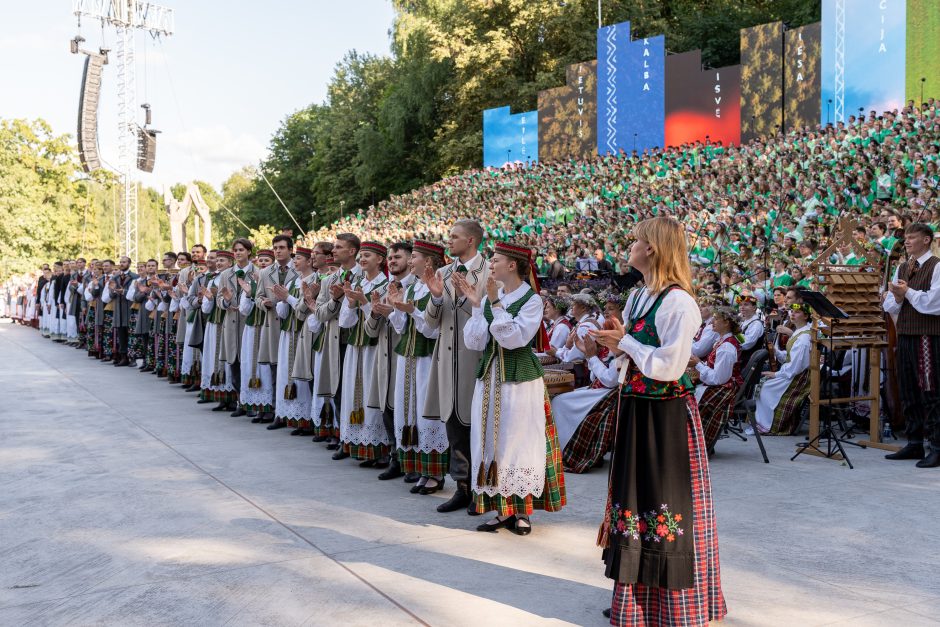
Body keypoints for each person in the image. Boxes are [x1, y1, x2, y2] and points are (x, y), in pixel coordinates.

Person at [591, 216, 725, 626]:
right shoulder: (638, 297)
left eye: (635, 241)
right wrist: (618, 342)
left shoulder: (679, 302)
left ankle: (671, 608)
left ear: (651, 248)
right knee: (633, 501)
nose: (629, 247)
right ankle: (634, 603)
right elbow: (633, 355)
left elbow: (669, 366)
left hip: (665, 415)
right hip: (636, 406)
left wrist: (626, 341)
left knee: (665, 502)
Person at [457, 241, 566, 535]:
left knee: (519, 440)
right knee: (492, 441)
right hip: (491, 374)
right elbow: (475, 342)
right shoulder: (498, 294)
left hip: (519, 379)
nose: (491, 264)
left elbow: (516, 339)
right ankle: (500, 508)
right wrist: (477, 307)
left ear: (513, 265)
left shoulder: (530, 299)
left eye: (496, 259)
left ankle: (522, 511)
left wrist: (492, 304)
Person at [423, 219, 490, 514]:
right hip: (447, 359)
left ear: (471, 241)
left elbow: (492, 314)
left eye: (454, 237)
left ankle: (482, 490)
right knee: (454, 426)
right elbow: (430, 321)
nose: (449, 241)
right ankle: (462, 487)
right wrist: (436, 296)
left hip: (476, 358)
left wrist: (469, 300)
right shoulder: (443, 272)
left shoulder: (489, 270)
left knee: (477, 425)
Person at [387, 240, 448, 492]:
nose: (410, 261)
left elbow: (432, 331)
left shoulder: (437, 290)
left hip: (427, 357)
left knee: (427, 413)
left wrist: (411, 310)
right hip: (408, 356)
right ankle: (418, 468)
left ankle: (435, 473)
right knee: (407, 410)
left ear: (429, 262)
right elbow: (401, 328)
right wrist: (397, 307)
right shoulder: (412, 289)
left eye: (414, 257)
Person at [884, 222, 940, 468]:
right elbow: (889, 306)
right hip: (906, 333)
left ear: (926, 239)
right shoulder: (902, 267)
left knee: (931, 391)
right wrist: (897, 296)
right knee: (907, 389)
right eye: (905, 238)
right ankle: (915, 441)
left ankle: (937, 446)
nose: (906, 241)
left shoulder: (937, 266)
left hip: (927, 335)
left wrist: (906, 293)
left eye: (912, 237)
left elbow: (933, 304)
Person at [337, 241, 390, 464]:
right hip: (355, 346)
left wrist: (364, 302)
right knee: (352, 393)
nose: (362, 259)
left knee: (371, 393)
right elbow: (344, 322)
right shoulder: (357, 282)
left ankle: (378, 449)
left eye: (367, 255)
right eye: (361, 256)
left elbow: (380, 318)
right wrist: (350, 303)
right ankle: (358, 445)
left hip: (374, 346)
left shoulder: (386, 285)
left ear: (379, 259)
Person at [366, 241, 415, 477]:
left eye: (397, 257)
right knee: (387, 410)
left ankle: (414, 463)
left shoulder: (416, 288)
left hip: (405, 357)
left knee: (407, 411)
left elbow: (418, 326)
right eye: (390, 258)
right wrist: (375, 313)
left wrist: (395, 312)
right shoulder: (387, 287)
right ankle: (396, 458)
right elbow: (370, 331)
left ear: (410, 259)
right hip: (384, 358)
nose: (392, 261)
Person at [314, 233, 363, 451]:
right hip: (336, 341)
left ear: (352, 251)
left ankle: (362, 440)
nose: (333, 251)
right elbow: (320, 313)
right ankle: (342, 436)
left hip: (361, 341)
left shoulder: (366, 276)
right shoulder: (329, 281)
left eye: (338, 247)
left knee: (359, 389)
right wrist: (335, 299)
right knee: (338, 388)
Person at [271, 246, 317, 432]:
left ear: (309, 261)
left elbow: (303, 309)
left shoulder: (314, 281)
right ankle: (289, 415)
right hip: (288, 331)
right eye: (295, 258)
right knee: (285, 373)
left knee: (302, 374)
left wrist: (287, 298)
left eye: (299, 258)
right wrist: (281, 299)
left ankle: (305, 418)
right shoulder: (293, 282)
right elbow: (283, 312)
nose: (295, 261)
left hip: (303, 332)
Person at [255, 235, 298, 424]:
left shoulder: (300, 270)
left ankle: (295, 413)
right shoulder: (265, 273)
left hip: (294, 325)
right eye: (275, 248)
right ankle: (277, 411)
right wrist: (264, 303)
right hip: (272, 324)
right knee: (274, 369)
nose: (278, 251)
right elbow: (257, 297)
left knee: (292, 368)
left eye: (281, 247)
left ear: (290, 249)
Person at [753, 302, 813, 435]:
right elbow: (790, 357)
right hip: (792, 372)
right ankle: (762, 422)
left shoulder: (804, 338)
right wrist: (775, 351)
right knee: (762, 384)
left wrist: (776, 375)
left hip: (798, 377)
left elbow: (796, 367)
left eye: (797, 312)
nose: (792, 313)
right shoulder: (799, 332)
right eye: (791, 311)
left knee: (765, 388)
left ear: (806, 316)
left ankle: (770, 425)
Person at [690, 306, 743, 452]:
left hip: (724, 389)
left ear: (726, 323)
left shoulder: (727, 347)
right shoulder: (722, 341)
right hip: (720, 383)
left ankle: (695, 445)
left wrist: (698, 364)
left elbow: (719, 379)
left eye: (717, 319)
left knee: (688, 401)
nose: (712, 321)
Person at [218, 239, 254, 416]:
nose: (238, 253)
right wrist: (225, 300)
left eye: (241, 250)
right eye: (235, 250)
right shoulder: (226, 274)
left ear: (249, 252)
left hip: (249, 324)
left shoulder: (257, 272)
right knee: (234, 364)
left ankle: (253, 402)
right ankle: (240, 401)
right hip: (231, 323)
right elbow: (219, 300)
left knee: (249, 363)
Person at [239, 249, 275, 421]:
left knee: (266, 368)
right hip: (252, 329)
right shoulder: (249, 282)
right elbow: (244, 310)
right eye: (260, 260)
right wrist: (248, 294)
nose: (262, 263)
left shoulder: (273, 281)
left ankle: (269, 407)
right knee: (249, 365)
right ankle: (256, 406)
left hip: (267, 329)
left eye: (266, 260)